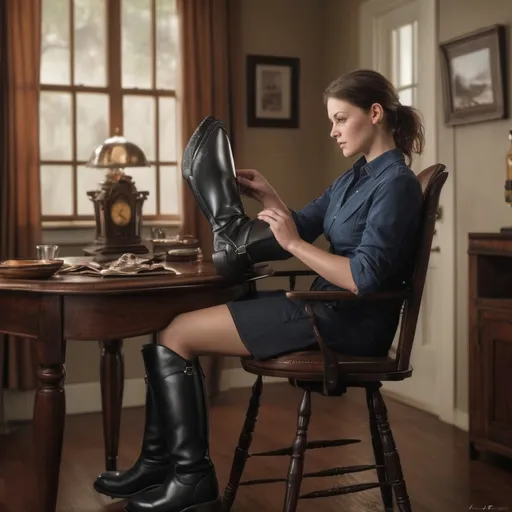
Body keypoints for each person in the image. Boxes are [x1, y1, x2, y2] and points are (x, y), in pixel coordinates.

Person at [93, 69, 425, 512]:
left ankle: (192, 479)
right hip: (325, 309)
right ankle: (159, 464)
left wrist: (293, 244)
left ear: (376, 113)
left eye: (340, 119)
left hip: (345, 322)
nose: (333, 131)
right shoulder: (356, 177)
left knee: (177, 334)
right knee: (169, 328)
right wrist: (270, 198)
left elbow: (362, 276)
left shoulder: (396, 184)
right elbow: (302, 224)